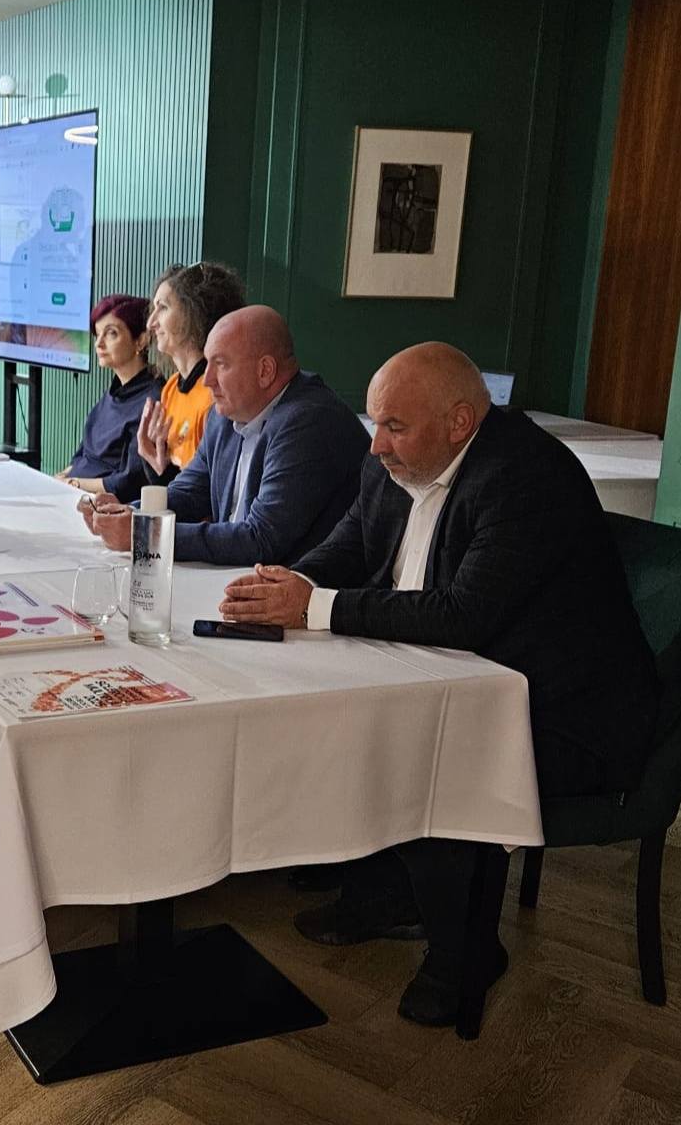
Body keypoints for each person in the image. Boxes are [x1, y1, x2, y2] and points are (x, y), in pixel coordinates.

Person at [219, 341, 660, 1025]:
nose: (376, 446)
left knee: (423, 754)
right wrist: (291, 582)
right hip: (453, 679)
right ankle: (387, 893)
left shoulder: (525, 476)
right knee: (348, 724)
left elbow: (463, 615)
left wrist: (314, 607)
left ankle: (466, 954)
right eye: (376, 423)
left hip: (567, 715)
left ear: (459, 422)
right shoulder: (394, 461)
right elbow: (353, 545)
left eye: (394, 426)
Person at [85, 306, 368, 563]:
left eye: (220, 364)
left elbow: (261, 539)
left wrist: (146, 534)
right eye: (207, 363)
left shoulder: (308, 421)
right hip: (237, 579)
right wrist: (130, 514)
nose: (207, 380)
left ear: (265, 371)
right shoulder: (224, 415)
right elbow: (190, 492)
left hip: (302, 591)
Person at [144, 262, 247, 478]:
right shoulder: (171, 387)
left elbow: (209, 487)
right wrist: (152, 458)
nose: (151, 323)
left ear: (195, 313)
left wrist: (162, 472)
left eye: (163, 308)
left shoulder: (216, 394)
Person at [58, 295, 161, 500]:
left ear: (141, 340)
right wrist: (60, 479)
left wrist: (73, 484)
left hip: (103, 505)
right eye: (97, 334)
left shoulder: (152, 400)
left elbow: (129, 482)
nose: (99, 343)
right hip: (75, 493)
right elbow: (82, 455)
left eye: (111, 333)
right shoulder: (114, 392)